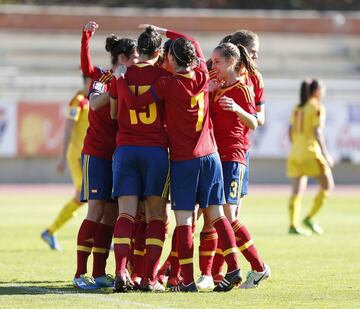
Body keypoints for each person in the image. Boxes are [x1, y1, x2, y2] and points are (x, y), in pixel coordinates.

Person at [114, 25, 242, 293]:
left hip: (184, 160)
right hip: (211, 156)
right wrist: (166, 31)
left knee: (184, 220)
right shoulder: (202, 74)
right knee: (218, 215)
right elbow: (192, 40)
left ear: (171, 59)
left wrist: (122, 80)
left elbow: (136, 105)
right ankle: (234, 268)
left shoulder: (166, 84)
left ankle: (186, 279)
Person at [73, 21, 138, 290]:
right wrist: (86, 38)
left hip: (118, 157)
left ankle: (99, 272)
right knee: (96, 210)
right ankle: (80, 273)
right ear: (123, 58)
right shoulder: (103, 80)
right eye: (135, 57)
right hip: (97, 154)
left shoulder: (131, 80)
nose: (139, 61)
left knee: (111, 215)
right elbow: (95, 102)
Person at [108, 26, 170, 293]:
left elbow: (113, 114)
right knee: (156, 216)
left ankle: (121, 272)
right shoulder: (164, 76)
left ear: (138, 50)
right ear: (158, 52)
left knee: (125, 214)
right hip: (155, 151)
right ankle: (148, 278)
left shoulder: (121, 76)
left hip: (126, 150)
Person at [41, 75, 91, 251]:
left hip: (88, 156)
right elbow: (69, 128)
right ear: (85, 81)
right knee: (88, 197)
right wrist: (62, 157)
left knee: (86, 198)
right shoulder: (78, 101)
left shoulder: (94, 99)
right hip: (77, 156)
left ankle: (50, 231)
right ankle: (104, 240)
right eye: (92, 80)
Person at [287, 79, 334, 235]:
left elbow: (290, 132)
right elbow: (317, 132)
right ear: (316, 91)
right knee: (328, 185)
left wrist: (297, 146)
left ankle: (293, 225)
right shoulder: (316, 106)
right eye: (322, 88)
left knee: (296, 191)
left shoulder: (296, 108)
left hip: (295, 153)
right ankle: (309, 218)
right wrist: (326, 154)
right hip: (311, 152)